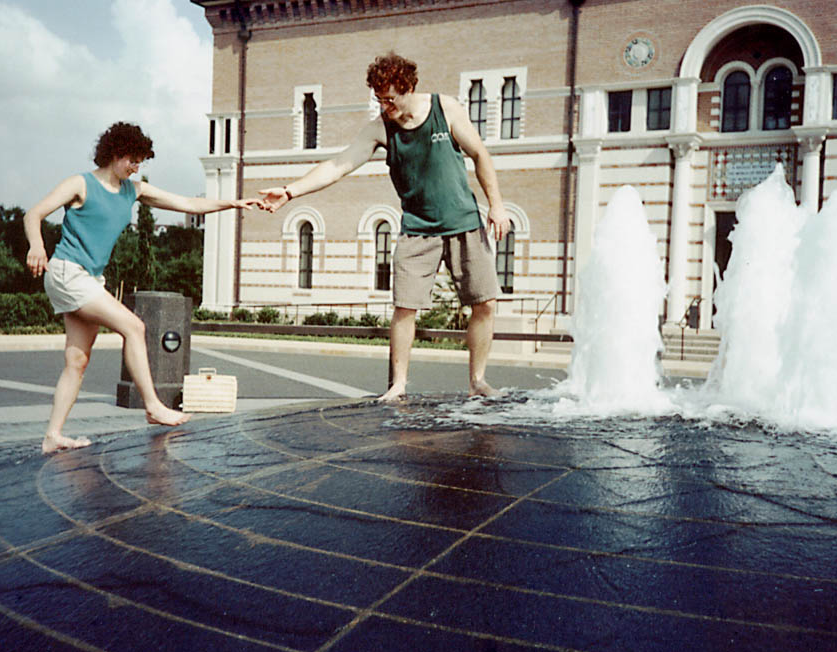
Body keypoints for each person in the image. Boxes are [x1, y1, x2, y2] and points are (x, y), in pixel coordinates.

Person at [259, 53, 511, 402]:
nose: (384, 105)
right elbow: (338, 165)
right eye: (378, 99)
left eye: (390, 98)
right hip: (417, 229)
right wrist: (289, 191)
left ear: (408, 88)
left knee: (485, 303)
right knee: (404, 307)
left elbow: (481, 155)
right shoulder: (380, 128)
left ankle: (478, 381)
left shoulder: (446, 109)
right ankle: (399, 385)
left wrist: (496, 205)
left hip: (464, 222)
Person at [25, 121, 264, 454]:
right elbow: (33, 213)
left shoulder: (133, 190)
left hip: (89, 279)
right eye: (133, 160)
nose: (137, 167)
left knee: (77, 361)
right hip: (68, 272)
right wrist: (37, 246)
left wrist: (235, 203)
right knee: (134, 327)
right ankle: (153, 406)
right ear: (115, 153)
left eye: (141, 162)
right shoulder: (80, 183)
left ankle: (53, 436)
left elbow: (190, 205)